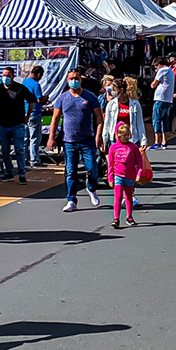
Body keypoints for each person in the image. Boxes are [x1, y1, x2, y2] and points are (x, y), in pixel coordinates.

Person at [47, 68, 104, 213]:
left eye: (76, 78)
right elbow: (55, 119)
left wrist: (98, 136)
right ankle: (71, 199)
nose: (74, 81)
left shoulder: (90, 97)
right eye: (71, 78)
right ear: (67, 80)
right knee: (70, 171)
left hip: (87, 139)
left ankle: (91, 188)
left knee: (92, 168)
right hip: (69, 141)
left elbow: (99, 118)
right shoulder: (62, 98)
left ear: (81, 79)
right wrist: (51, 137)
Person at [0, 65, 33, 184]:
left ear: (13, 76)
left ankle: (22, 173)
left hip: (18, 123)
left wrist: (27, 117)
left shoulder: (20, 88)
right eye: (3, 75)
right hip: (3, 124)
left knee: (19, 149)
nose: (5, 78)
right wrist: (0, 112)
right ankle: (8, 172)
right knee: (5, 150)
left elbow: (31, 101)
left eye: (8, 75)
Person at [106, 121, 146, 230]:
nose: (126, 137)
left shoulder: (133, 147)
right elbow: (111, 164)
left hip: (130, 176)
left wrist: (139, 173)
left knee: (128, 197)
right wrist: (110, 177)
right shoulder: (114, 148)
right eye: (124, 135)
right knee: (118, 197)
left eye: (128, 135)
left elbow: (139, 162)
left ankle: (129, 216)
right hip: (118, 176)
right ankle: (116, 218)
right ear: (118, 135)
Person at [99, 75, 147, 154]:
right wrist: (105, 140)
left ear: (121, 90)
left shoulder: (135, 104)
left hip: (131, 139)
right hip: (115, 140)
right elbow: (107, 123)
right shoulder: (111, 104)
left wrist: (143, 141)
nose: (112, 92)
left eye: (114, 90)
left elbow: (139, 123)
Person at [151, 57, 176, 149]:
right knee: (165, 120)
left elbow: (153, 84)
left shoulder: (162, 70)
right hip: (168, 99)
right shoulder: (170, 71)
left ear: (160, 64)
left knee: (156, 119)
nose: (155, 69)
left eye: (156, 66)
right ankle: (164, 141)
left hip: (160, 98)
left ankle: (157, 142)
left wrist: (153, 83)